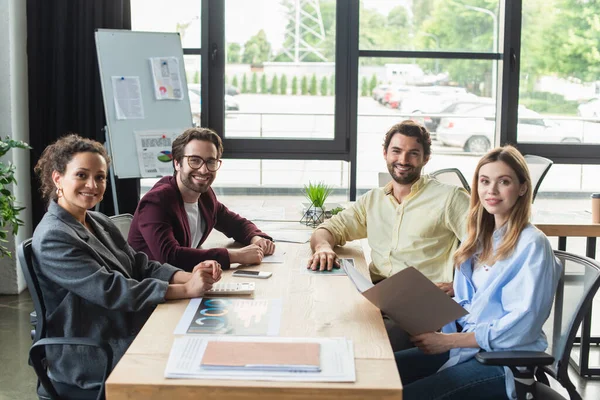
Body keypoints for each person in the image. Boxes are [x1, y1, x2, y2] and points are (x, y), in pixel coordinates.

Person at [32, 134, 222, 392]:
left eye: (99, 177)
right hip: (95, 347)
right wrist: (186, 290)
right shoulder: (54, 236)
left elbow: (139, 264)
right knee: (198, 361)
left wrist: (186, 276)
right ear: (58, 179)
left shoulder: (97, 220)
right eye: (81, 175)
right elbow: (110, 289)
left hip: (121, 324)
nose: (93, 184)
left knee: (209, 337)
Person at [394, 145, 561, 400]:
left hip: (502, 363)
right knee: (379, 373)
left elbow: (521, 328)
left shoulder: (532, 245)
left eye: (503, 181)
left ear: (522, 188)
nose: (491, 190)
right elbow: (471, 304)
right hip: (463, 348)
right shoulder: (479, 240)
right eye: (484, 181)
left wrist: (448, 342)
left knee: (402, 396)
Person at [307, 120, 470, 349]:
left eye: (413, 153)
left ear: (426, 158)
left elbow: (489, 248)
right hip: (381, 297)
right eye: (396, 151)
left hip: (424, 306)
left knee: (361, 342)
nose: (403, 160)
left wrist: (459, 285)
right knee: (326, 321)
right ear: (385, 153)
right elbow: (328, 229)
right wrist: (323, 247)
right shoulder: (373, 200)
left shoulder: (450, 198)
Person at [128, 127, 274, 271]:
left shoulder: (205, 196)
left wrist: (256, 238)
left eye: (211, 161)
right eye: (195, 160)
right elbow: (171, 256)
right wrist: (235, 256)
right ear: (177, 163)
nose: (204, 170)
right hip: (153, 288)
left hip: (187, 280)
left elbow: (236, 224)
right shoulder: (157, 201)